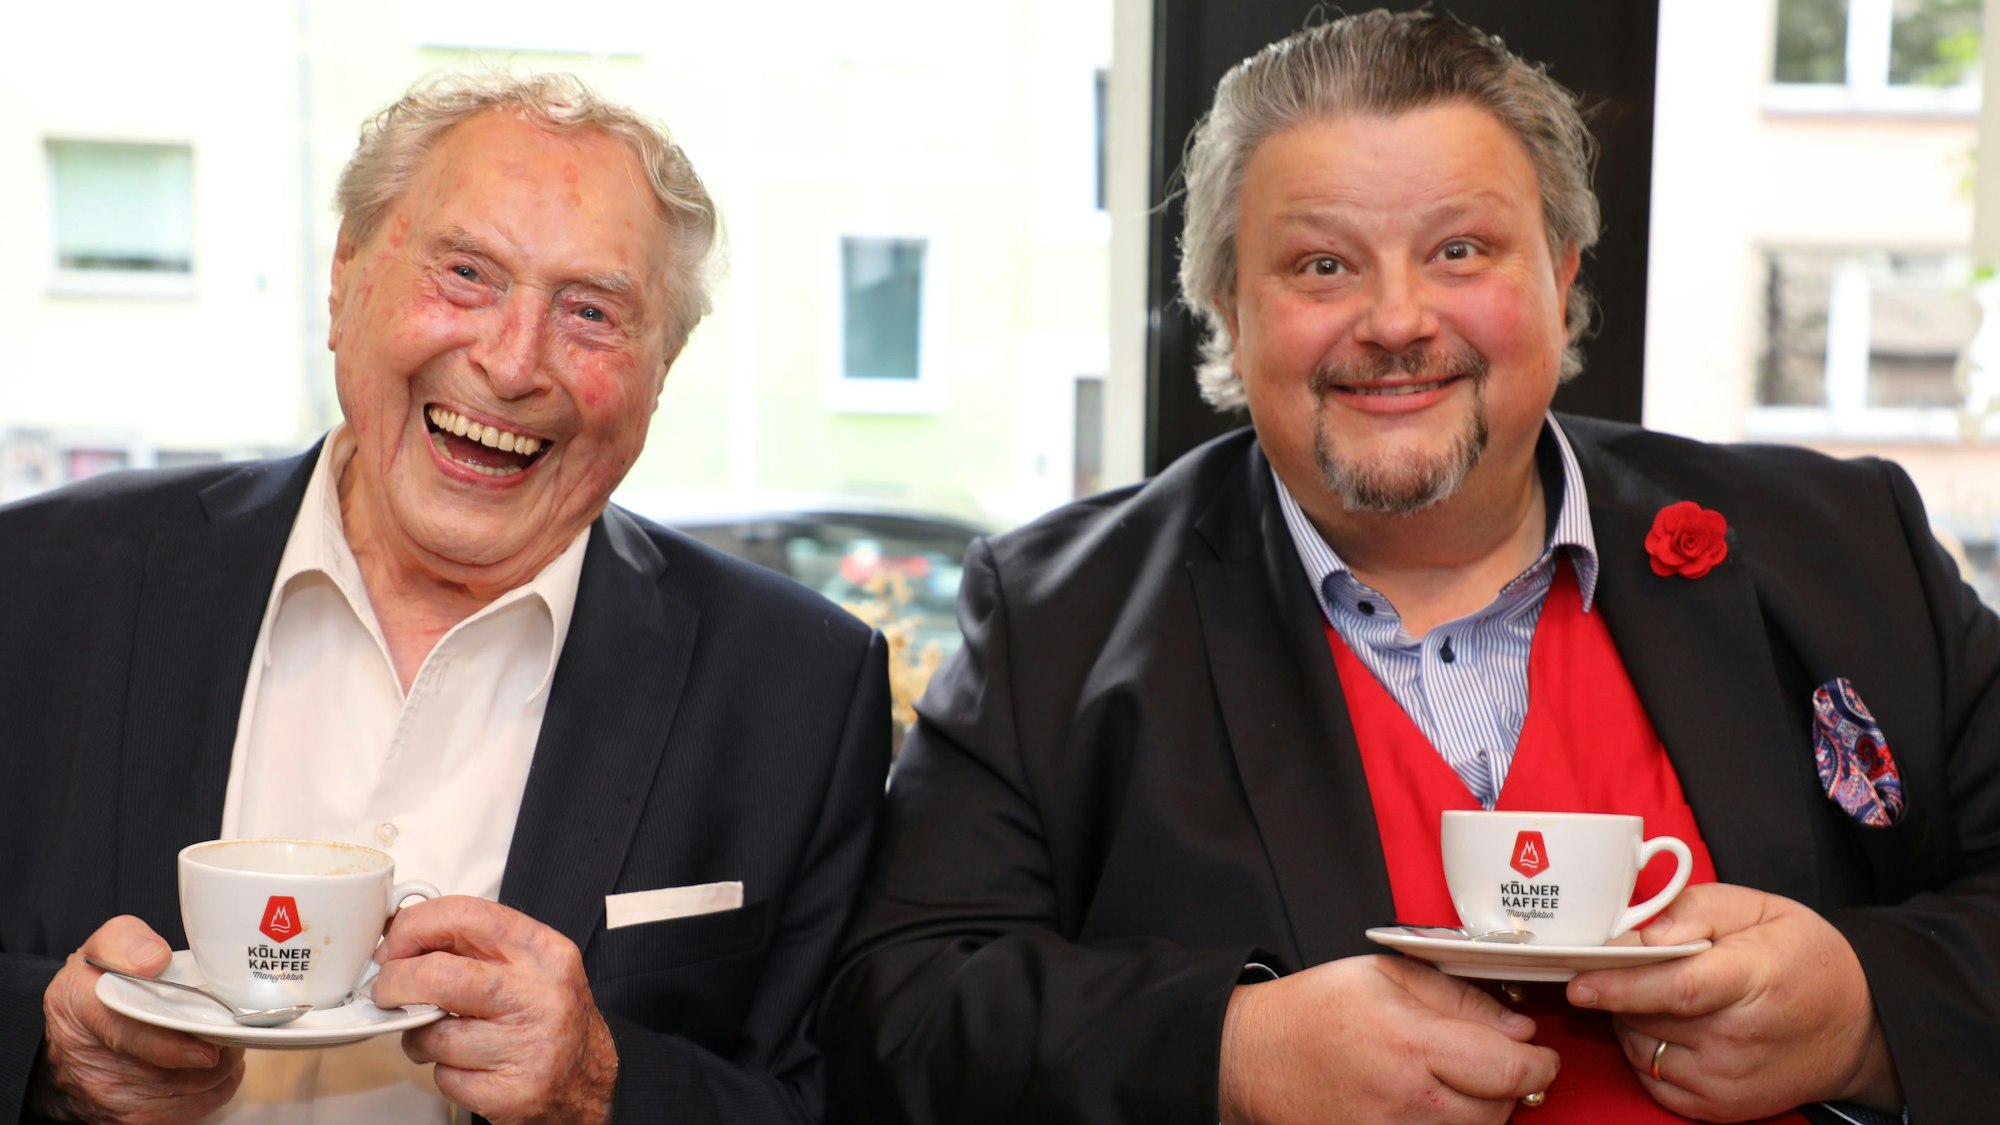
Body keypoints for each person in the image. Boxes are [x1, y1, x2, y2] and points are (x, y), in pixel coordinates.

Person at [819, 10, 2000, 1124]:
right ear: (1227, 306)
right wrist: (1232, 1054)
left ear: (1561, 274)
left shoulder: (1846, 547)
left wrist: (1866, 1016)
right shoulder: (1056, 619)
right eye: (1319, 266)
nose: (1394, 321)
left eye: (1458, 249)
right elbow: (894, 1010)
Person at [0, 73, 890, 1124]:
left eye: (591, 312)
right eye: (466, 274)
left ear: (662, 369)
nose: (512, 365)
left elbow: (840, 1099)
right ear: (345, 278)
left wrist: (602, 1086)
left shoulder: (798, 690)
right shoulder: (39, 585)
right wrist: (43, 1050)